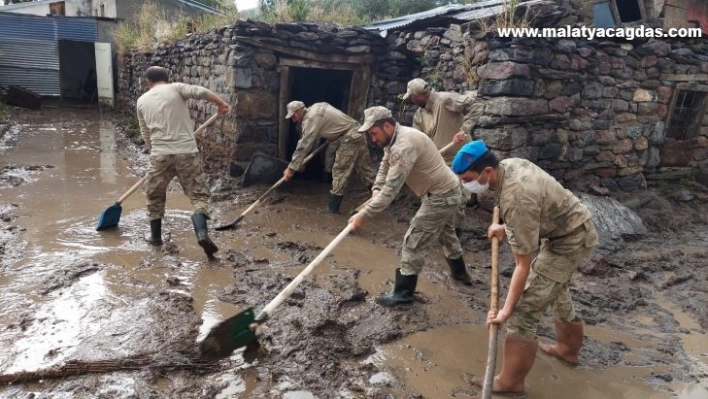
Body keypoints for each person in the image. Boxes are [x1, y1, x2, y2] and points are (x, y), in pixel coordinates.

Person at [451, 140, 599, 396]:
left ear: (487, 172)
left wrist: (505, 312)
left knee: (524, 311)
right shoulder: (508, 166)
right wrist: (506, 229)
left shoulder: (516, 197)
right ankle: (568, 351)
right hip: (565, 226)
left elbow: (523, 264)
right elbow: (532, 215)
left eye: (468, 179)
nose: (465, 185)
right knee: (556, 290)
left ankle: (510, 383)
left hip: (569, 240)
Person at [348, 106, 474, 307]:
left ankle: (403, 294)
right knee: (447, 234)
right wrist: (376, 187)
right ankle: (460, 273)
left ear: (387, 126)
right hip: (446, 191)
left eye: (374, 133)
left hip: (441, 196)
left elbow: (391, 190)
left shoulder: (403, 146)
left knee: (414, 240)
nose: (373, 139)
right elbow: (385, 165)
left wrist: (363, 214)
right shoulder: (395, 138)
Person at [137, 66, 230, 259]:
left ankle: (155, 237)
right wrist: (220, 104)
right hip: (187, 152)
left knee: (154, 195)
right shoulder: (177, 88)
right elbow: (201, 92)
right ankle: (202, 232)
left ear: (148, 83)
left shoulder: (142, 101)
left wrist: (155, 150)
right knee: (199, 195)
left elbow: (145, 133)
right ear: (167, 78)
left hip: (160, 155)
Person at [403, 78, 484, 237]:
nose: (411, 101)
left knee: (458, 198)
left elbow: (477, 105)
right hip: (438, 160)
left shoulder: (445, 99)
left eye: (412, 97)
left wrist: (464, 129)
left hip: (462, 157)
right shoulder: (420, 115)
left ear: (419, 95)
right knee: (436, 196)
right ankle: (439, 230)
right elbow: (417, 139)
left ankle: (453, 236)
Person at [283, 101, 375, 214]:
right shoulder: (316, 107)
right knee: (364, 168)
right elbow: (331, 121)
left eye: (294, 116)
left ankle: (332, 207)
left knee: (340, 170)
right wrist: (332, 134)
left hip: (349, 137)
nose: (294, 120)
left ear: (300, 111)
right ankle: (379, 194)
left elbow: (304, 145)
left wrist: (291, 168)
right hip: (357, 131)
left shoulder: (311, 118)